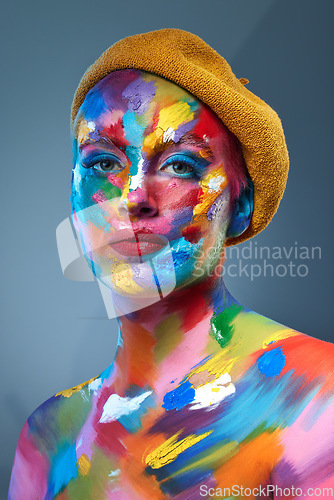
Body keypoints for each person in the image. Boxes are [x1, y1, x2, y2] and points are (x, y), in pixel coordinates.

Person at [8, 29, 334, 500]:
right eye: (103, 162)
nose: (134, 196)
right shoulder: (47, 438)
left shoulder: (315, 403)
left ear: (240, 205)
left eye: (181, 166)